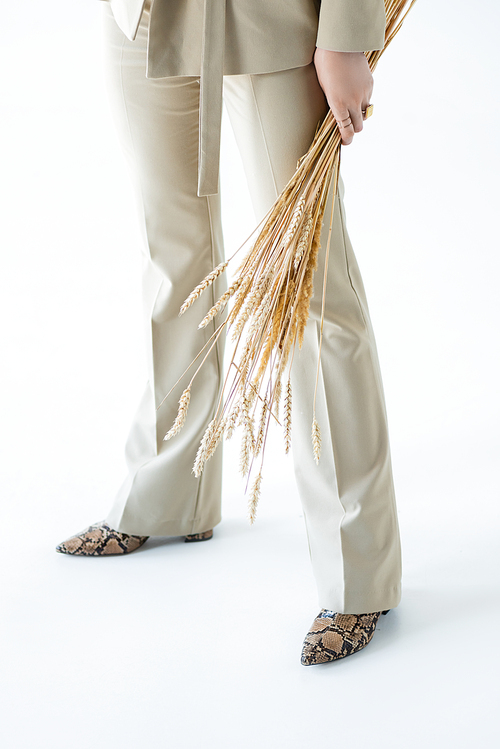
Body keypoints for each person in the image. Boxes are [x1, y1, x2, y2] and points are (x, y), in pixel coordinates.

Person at [57, 0, 402, 666]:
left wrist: (347, 33)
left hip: (276, 20)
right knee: (171, 257)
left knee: (309, 282)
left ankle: (358, 571)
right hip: (145, 14)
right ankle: (169, 495)